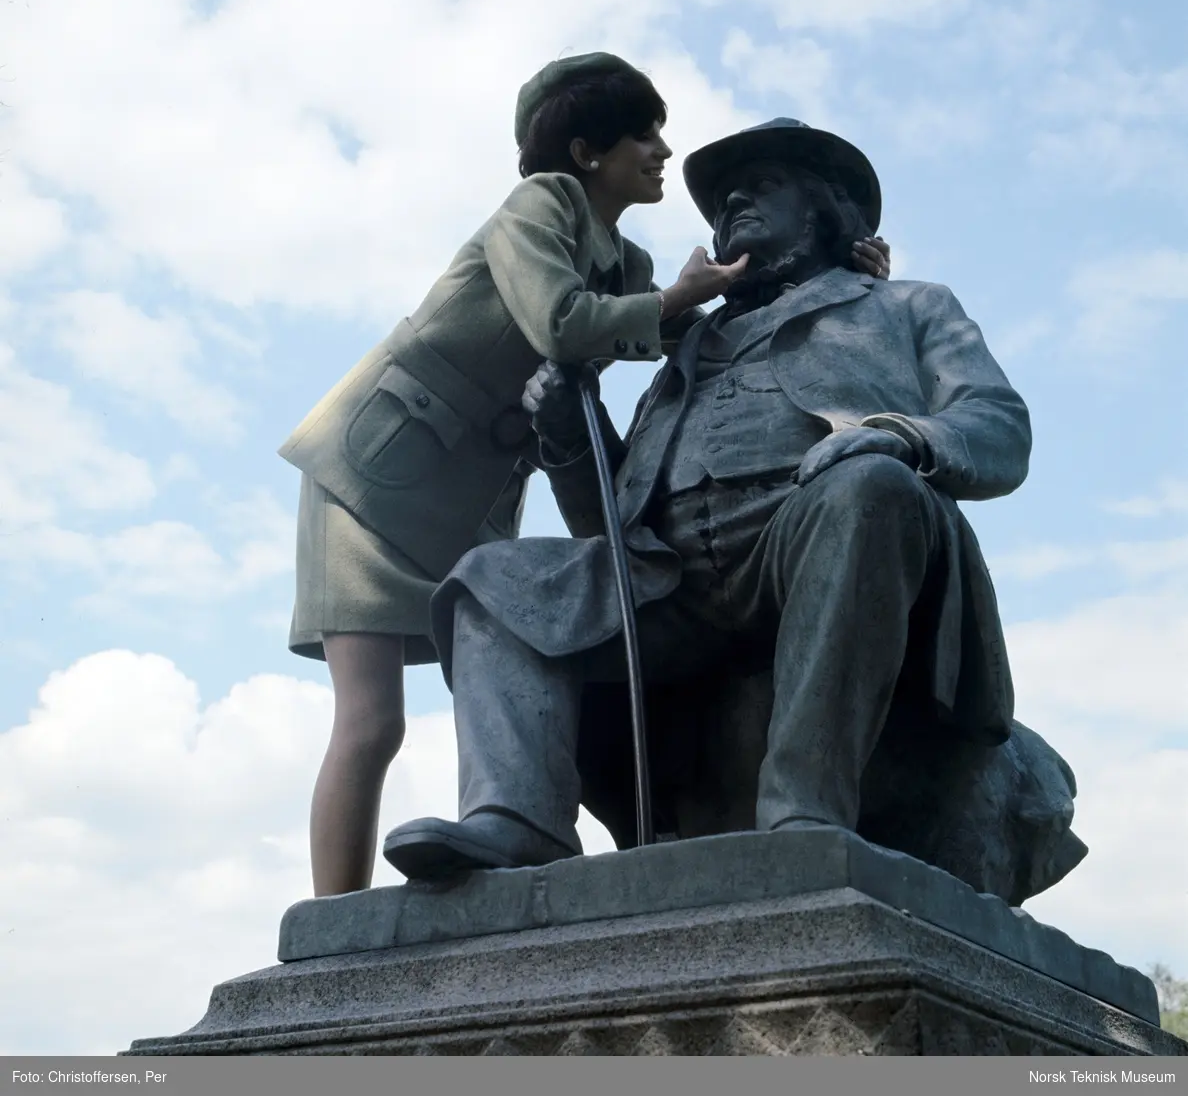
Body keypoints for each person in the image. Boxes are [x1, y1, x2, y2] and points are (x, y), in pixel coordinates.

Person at [279, 57, 897, 896]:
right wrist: (682, 299)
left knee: (475, 622)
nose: (661, 150)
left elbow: (722, 325)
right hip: (378, 474)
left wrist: (846, 283)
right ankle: (336, 925)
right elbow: (564, 326)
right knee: (370, 720)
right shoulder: (539, 207)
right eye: (642, 134)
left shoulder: (628, 265)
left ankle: (511, 831)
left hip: (471, 495)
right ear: (585, 151)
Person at [382, 117, 1032, 884]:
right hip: (671, 576)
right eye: (725, 200)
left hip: (811, 524)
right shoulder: (688, 343)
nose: (733, 204)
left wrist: (898, 436)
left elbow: (997, 424)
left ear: (823, 208)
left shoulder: (908, 306)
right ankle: (518, 818)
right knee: (492, 577)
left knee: (867, 486)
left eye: (762, 187)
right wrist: (565, 434)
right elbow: (610, 530)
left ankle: (803, 813)